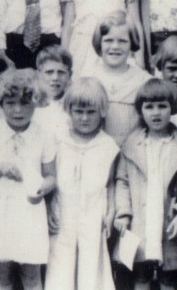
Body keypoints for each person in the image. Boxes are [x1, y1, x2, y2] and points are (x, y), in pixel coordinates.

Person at [0, 69, 57, 290]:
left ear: (37, 103)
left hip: (30, 209)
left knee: (31, 273)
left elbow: (51, 176)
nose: (18, 110)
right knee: (4, 273)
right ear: (0, 104)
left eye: (25, 103)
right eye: (10, 103)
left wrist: (42, 189)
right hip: (0, 207)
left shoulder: (44, 135)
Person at [114, 79, 177, 290]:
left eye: (162, 106)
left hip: (167, 218)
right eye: (149, 107)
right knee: (141, 273)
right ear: (141, 110)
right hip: (140, 218)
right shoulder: (131, 145)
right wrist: (123, 213)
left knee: (169, 272)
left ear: (172, 108)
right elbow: (122, 181)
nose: (155, 113)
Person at [45, 77, 119, 290]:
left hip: (93, 210)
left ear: (102, 112)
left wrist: (110, 211)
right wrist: (50, 206)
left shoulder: (107, 145)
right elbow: (50, 178)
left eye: (91, 112)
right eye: (79, 111)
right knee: (60, 263)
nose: (84, 118)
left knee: (92, 263)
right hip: (63, 209)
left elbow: (110, 183)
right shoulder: (58, 140)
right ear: (68, 110)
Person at [87, 11, 152, 146]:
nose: (115, 46)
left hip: (132, 152)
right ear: (100, 43)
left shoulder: (143, 81)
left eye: (122, 41)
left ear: (131, 44)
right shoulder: (88, 78)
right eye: (109, 40)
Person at [34, 45, 74, 138]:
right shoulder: (32, 106)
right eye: (49, 72)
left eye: (61, 72)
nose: (55, 78)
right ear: (38, 74)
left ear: (70, 75)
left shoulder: (73, 106)